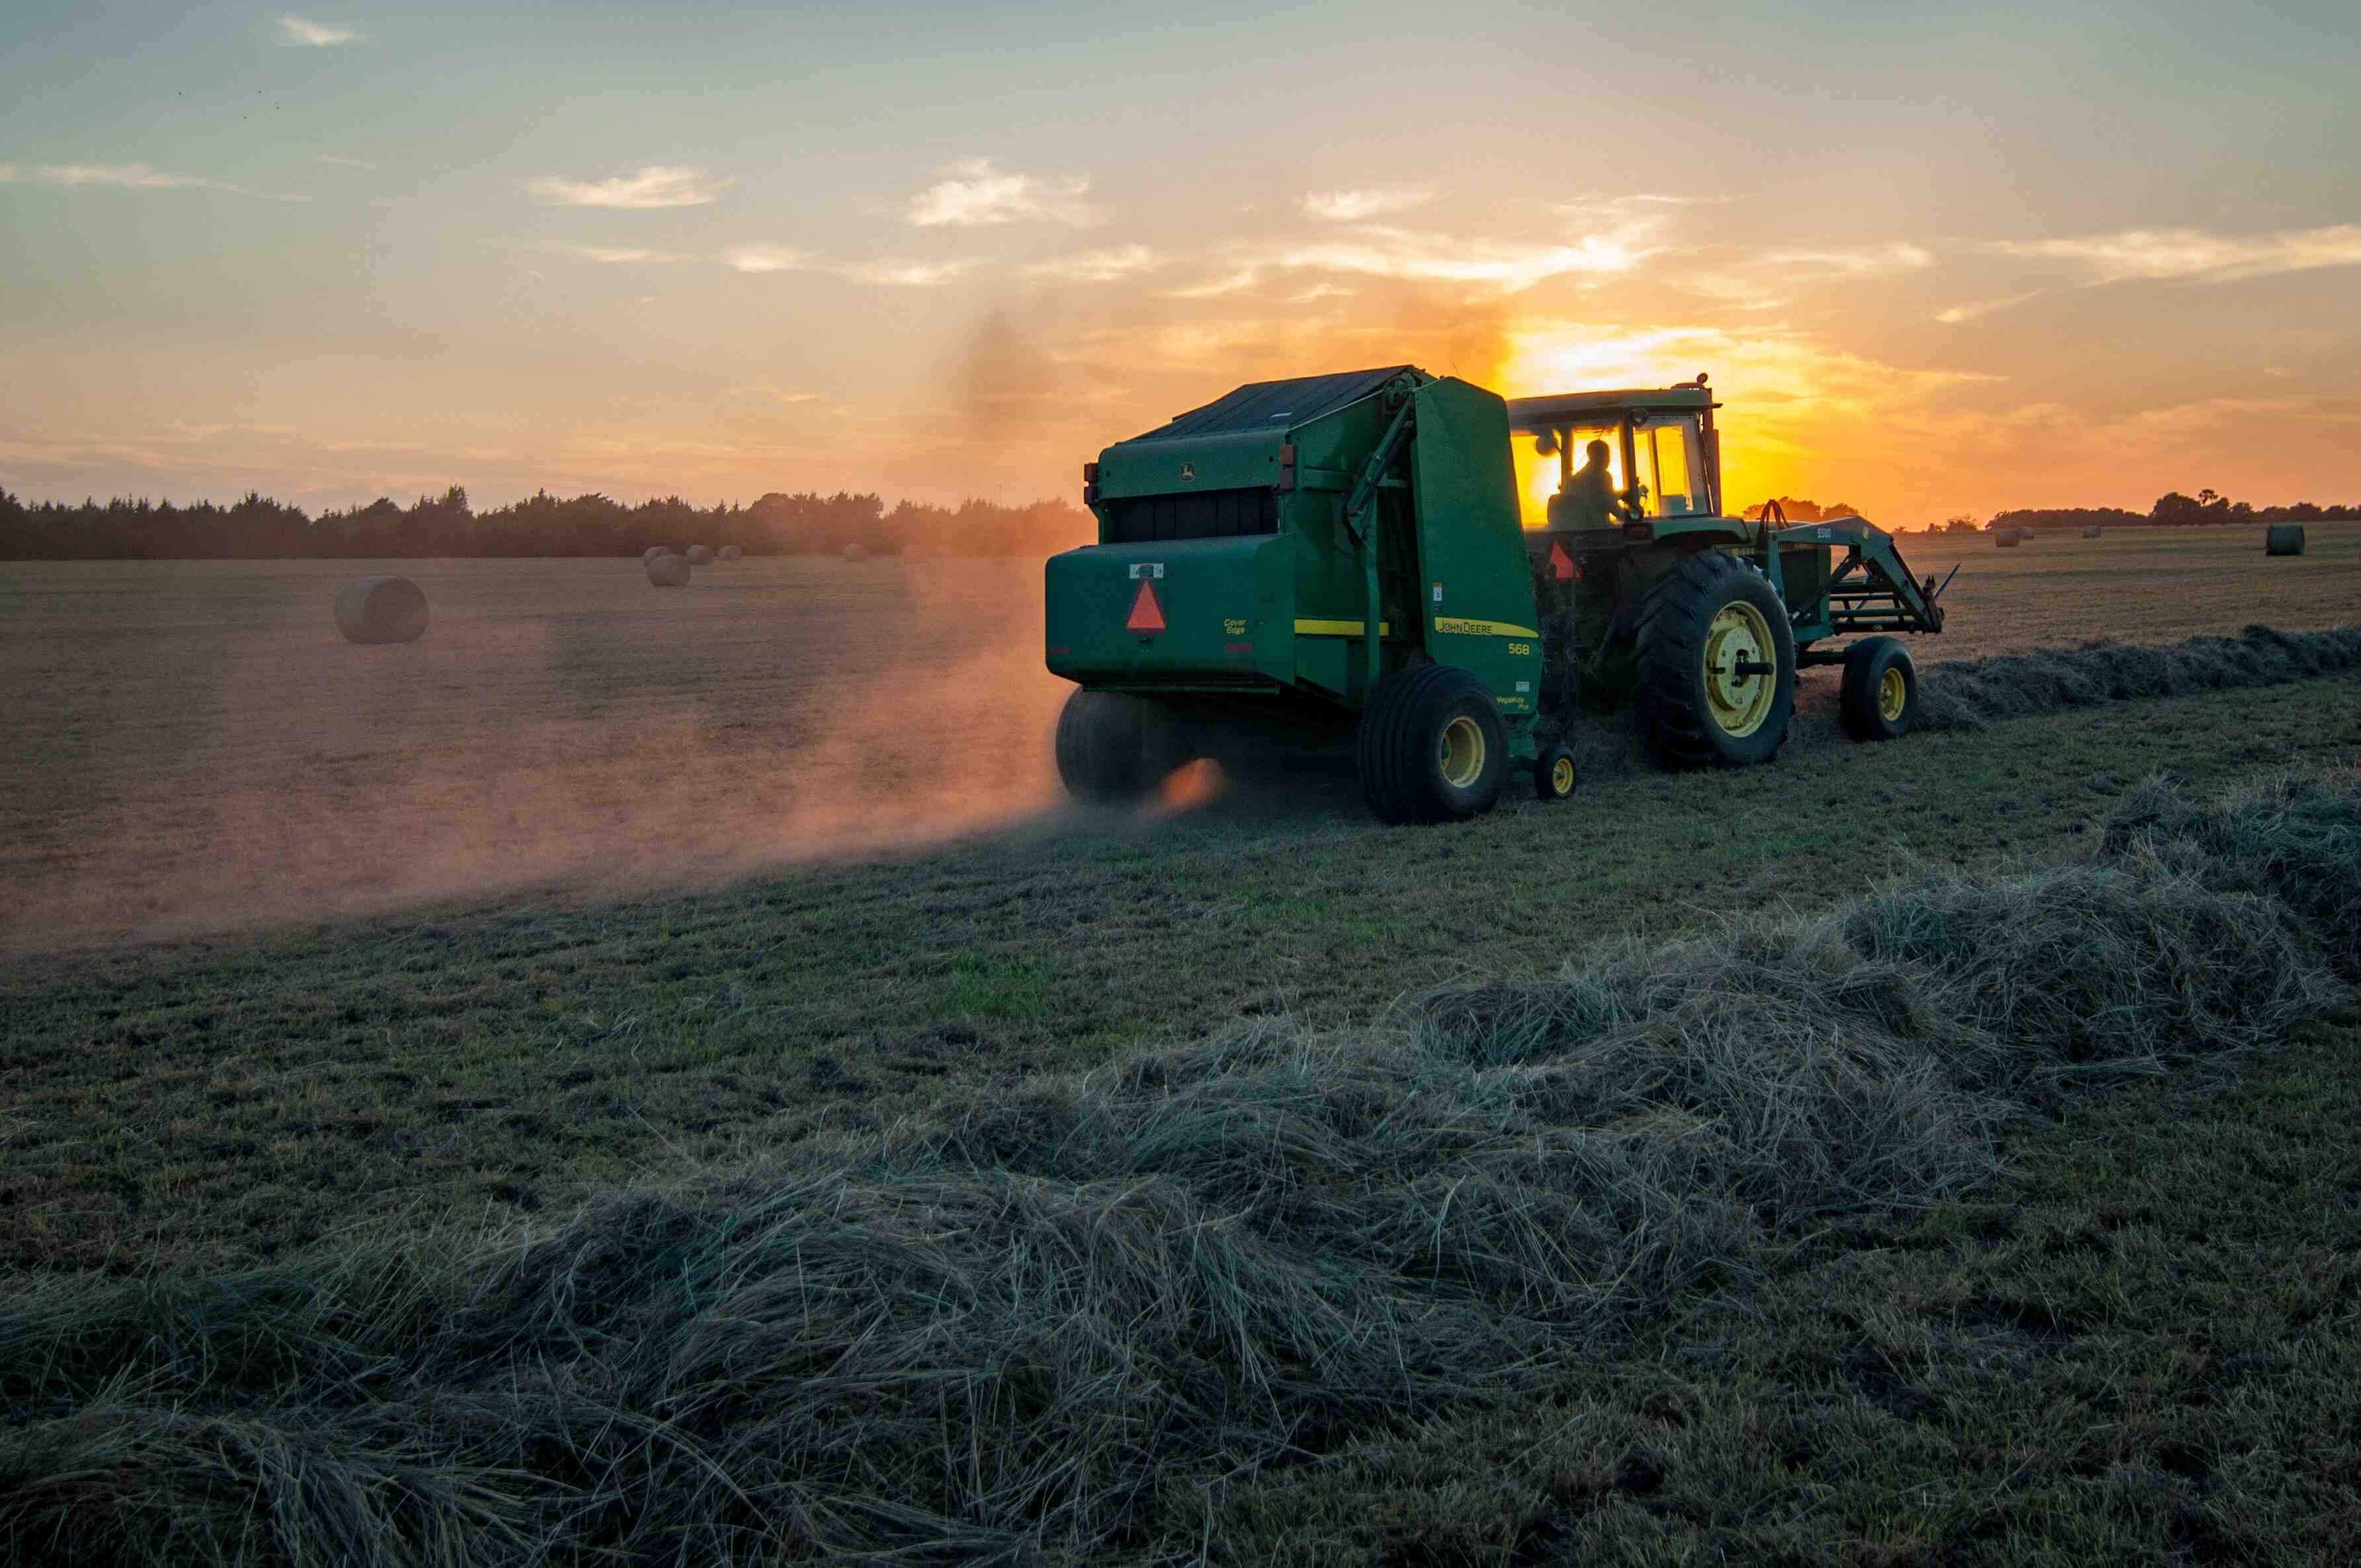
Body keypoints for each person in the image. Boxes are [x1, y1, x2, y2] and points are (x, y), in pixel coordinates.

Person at [1546, 439, 1629, 531]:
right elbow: (1613, 507)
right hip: (1598, 530)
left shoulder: (1575, 479)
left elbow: (1603, 498)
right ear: (1598, 456)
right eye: (1606, 454)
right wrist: (1632, 516)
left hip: (1579, 531)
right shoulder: (1603, 476)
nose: (1608, 459)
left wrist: (1619, 495)